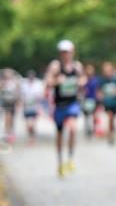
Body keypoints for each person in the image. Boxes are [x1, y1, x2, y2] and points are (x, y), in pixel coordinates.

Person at [45, 40, 85, 177]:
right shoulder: (55, 66)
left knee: (73, 128)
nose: (65, 54)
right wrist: (57, 81)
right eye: (63, 52)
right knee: (60, 135)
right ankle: (60, 162)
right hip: (59, 105)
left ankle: (71, 158)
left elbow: (83, 80)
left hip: (72, 104)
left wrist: (80, 83)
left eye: (67, 52)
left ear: (72, 52)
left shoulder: (77, 66)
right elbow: (47, 83)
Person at [99, 61, 116, 145]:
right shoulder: (102, 80)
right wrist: (101, 96)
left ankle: (112, 131)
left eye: (108, 70)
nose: (107, 72)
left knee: (113, 119)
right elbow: (99, 91)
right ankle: (110, 136)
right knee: (110, 117)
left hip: (115, 103)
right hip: (107, 103)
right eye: (105, 70)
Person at [21, 70, 44, 144]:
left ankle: (33, 137)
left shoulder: (38, 84)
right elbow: (21, 96)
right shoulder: (24, 84)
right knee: (28, 125)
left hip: (35, 107)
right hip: (26, 107)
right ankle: (31, 137)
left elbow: (41, 96)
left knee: (32, 124)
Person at [0, 68, 20, 143]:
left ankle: (10, 134)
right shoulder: (3, 82)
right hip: (5, 102)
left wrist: (18, 102)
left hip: (12, 102)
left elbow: (18, 93)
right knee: (7, 118)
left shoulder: (15, 82)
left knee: (11, 119)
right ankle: (7, 134)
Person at [82, 63, 100, 138]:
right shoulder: (84, 79)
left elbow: (98, 90)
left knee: (94, 115)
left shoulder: (95, 80)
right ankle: (87, 129)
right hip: (86, 100)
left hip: (94, 99)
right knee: (86, 116)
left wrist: (99, 99)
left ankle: (93, 129)